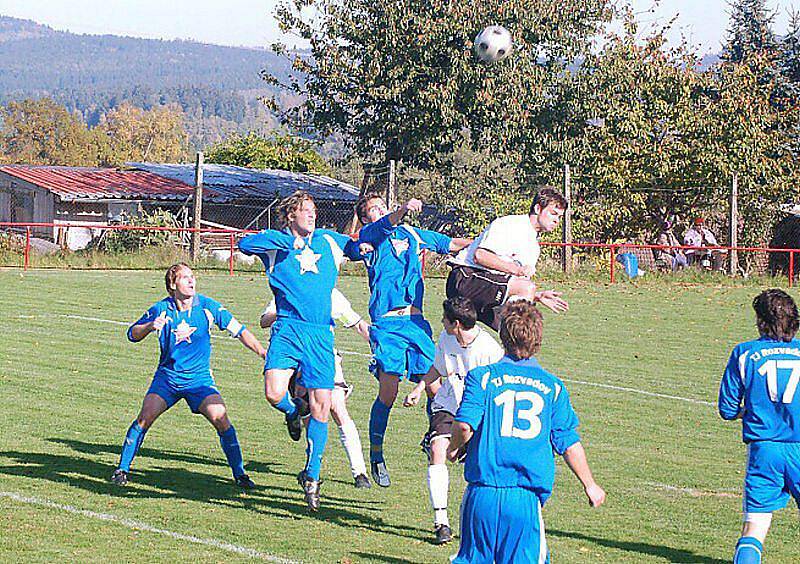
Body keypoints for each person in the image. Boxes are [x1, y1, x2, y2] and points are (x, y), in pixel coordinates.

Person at [447, 300, 606, 563]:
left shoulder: (482, 377)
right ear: (538, 339)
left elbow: (464, 425)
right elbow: (568, 441)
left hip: (482, 493)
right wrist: (590, 484)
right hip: (525, 499)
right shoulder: (552, 387)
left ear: (502, 335)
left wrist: (453, 448)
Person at [238, 190, 361, 511]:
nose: (312, 215)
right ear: (290, 215)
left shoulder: (328, 240)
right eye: (305, 210)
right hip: (288, 329)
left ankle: (312, 477)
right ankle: (294, 412)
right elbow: (245, 245)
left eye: (313, 210)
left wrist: (383, 228)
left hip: (321, 335)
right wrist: (285, 243)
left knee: (323, 407)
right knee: (273, 392)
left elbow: (359, 245)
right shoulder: (276, 245)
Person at [349, 192, 472, 488]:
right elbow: (383, 227)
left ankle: (435, 436)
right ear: (365, 218)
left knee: (435, 387)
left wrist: (489, 243)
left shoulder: (413, 234)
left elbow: (451, 244)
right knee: (389, 393)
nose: (378, 212)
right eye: (372, 210)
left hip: (416, 322)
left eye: (381, 206)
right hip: (388, 324)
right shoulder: (372, 234)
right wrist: (402, 209)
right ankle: (376, 455)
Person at [111, 263, 266, 489]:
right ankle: (122, 470)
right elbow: (131, 334)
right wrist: (149, 327)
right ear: (173, 284)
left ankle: (240, 474)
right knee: (145, 418)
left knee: (221, 420)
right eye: (185, 278)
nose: (192, 281)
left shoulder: (208, 307)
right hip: (168, 378)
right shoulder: (161, 309)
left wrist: (262, 351)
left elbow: (240, 330)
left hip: (199, 380)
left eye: (192, 277)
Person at [402, 296, 504, 545]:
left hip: (478, 410)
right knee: (438, 449)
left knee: (475, 465)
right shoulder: (446, 338)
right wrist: (418, 388)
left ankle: (484, 522)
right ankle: (441, 523)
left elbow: (500, 386)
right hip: (448, 403)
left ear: (456, 323)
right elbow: (437, 368)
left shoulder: (489, 349)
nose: (442, 322)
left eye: (445, 319)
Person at [718, 289, 800, 564]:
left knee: (754, 528)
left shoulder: (744, 353)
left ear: (761, 321)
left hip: (764, 451)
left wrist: (752, 410)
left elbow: (727, 409)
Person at [261, 288, 372, 489]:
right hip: (293, 357)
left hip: (323, 356)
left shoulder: (330, 293)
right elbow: (264, 320)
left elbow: (358, 324)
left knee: (337, 407)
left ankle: (360, 472)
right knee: (309, 414)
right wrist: (286, 310)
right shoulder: (288, 286)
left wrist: (380, 346)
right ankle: (311, 470)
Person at [446, 187, 569, 331]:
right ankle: (516, 350)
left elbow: (510, 287)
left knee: (512, 329)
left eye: (559, 217)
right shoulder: (510, 225)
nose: (556, 220)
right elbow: (480, 256)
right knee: (521, 316)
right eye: (553, 214)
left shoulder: (534, 248)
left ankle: (515, 350)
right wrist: (517, 271)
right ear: (537, 208)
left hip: (484, 286)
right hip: (465, 277)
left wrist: (537, 296)